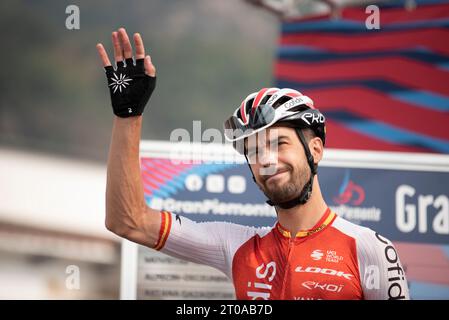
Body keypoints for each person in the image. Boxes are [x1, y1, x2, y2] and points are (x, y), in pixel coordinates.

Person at [96, 28, 410, 300]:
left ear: (315, 150)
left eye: (279, 144)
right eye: (255, 151)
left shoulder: (370, 249)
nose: (268, 160)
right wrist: (128, 116)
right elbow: (128, 221)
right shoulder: (236, 245)